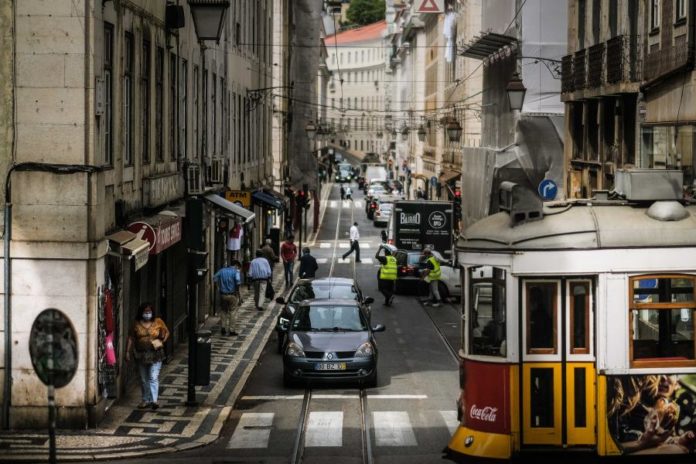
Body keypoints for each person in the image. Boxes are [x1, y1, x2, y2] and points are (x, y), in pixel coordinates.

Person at [126, 302, 169, 410]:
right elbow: (131, 337)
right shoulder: (136, 324)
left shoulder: (158, 321)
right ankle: (145, 399)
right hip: (141, 355)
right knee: (144, 379)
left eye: (149, 311)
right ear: (141, 312)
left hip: (156, 354)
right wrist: (127, 352)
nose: (147, 313)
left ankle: (154, 400)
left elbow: (167, 332)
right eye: (145, 311)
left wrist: (162, 341)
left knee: (153, 377)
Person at [213, 260, 242, 336]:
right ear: (236, 265)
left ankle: (223, 328)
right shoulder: (236, 271)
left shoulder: (222, 270)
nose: (238, 269)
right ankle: (232, 330)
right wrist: (238, 293)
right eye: (238, 267)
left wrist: (218, 287)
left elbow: (214, 278)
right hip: (232, 295)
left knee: (223, 311)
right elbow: (238, 282)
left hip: (223, 295)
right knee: (233, 312)